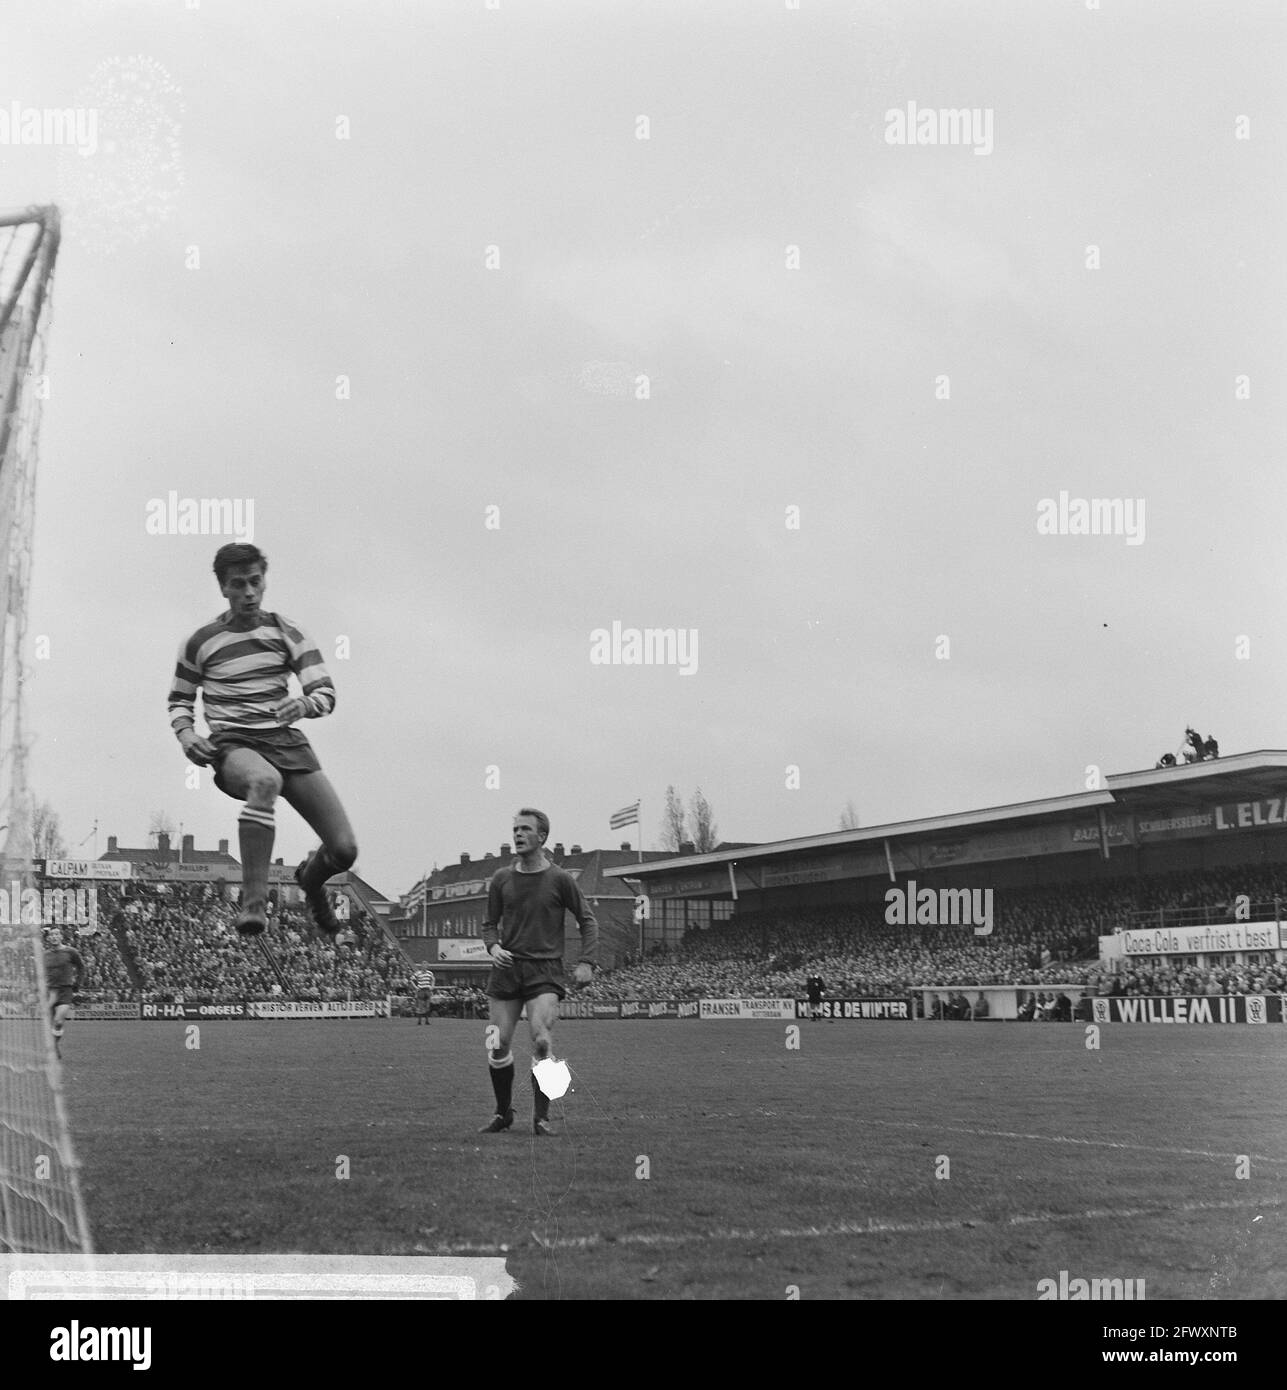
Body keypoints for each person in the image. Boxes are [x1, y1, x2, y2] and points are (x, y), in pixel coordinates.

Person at [167, 543, 358, 937]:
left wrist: (303, 705)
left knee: (344, 850)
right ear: (223, 588)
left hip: (286, 741)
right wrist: (188, 737)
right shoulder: (201, 642)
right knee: (264, 781)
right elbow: (179, 699)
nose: (250, 593)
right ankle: (253, 904)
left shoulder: (286, 632)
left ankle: (310, 879)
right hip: (236, 745)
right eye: (239, 585)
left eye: (256, 582)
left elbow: (326, 693)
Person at [479, 808, 598, 1136]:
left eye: (525, 829)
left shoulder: (560, 879)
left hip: (544, 970)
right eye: (515, 828)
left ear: (542, 837)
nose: (517, 834)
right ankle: (503, 1114)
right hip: (506, 969)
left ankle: (541, 1118)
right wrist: (493, 947)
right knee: (498, 1043)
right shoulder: (502, 878)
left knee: (542, 1041)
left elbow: (587, 920)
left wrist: (587, 961)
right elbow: (489, 924)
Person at [43, 928, 84, 1059]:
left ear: (61, 936)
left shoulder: (71, 952)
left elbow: (81, 967)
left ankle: (52, 1046)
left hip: (65, 990)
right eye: (51, 935)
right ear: (48, 938)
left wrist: (78, 983)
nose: (54, 937)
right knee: (52, 1023)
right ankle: (54, 1048)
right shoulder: (45, 955)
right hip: (50, 991)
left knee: (58, 1020)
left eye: (56, 934)